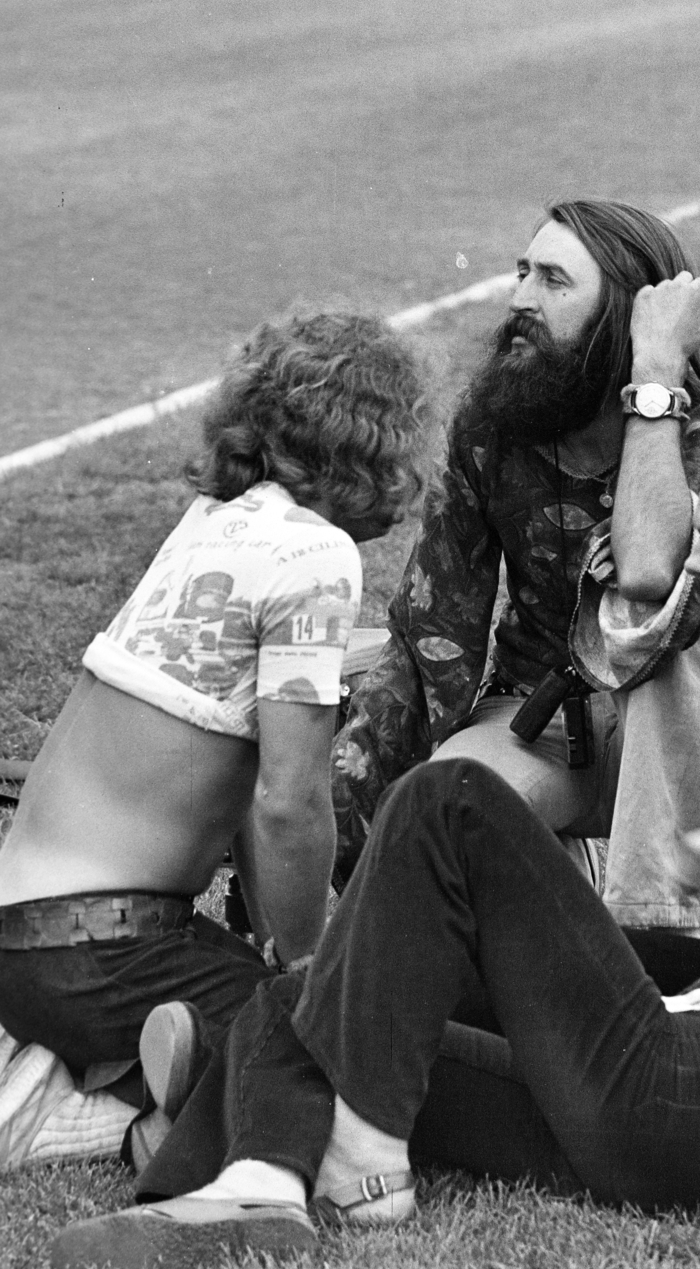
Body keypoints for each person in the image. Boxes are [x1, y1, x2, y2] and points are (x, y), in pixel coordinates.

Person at [53, 444, 700, 1269]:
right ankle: (248, 1183)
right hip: (667, 1104)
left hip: (694, 1092)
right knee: (340, 983)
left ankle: (347, 1144)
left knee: (453, 798)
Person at [0, 311, 429, 1170]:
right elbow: (288, 803)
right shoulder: (316, 557)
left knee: (257, 1002)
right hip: (106, 949)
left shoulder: (212, 522)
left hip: (25, 939)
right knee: (360, 1053)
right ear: (381, 444)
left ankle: (129, 1064)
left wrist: (274, 953)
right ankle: (98, 1113)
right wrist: (311, 970)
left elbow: (236, 787)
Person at [331, 199, 700, 931]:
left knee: (661, 645)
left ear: (623, 315)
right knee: (439, 818)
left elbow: (651, 576)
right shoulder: (491, 423)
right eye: (522, 272)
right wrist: (357, 788)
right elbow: (437, 625)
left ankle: (657, 943)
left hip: (685, 725)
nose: (521, 298)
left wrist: (655, 377)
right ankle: (565, 900)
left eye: (554, 281)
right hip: (536, 714)